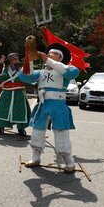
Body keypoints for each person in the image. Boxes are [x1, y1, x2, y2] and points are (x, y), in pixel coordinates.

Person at [19, 43, 79, 172]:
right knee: (37, 131)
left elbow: (72, 73)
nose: (49, 55)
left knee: (61, 133)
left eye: (53, 54)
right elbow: (24, 76)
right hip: (42, 104)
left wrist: (48, 60)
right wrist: (29, 60)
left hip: (58, 105)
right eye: (49, 53)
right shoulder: (40, 72)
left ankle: (69, 162)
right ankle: (35, 158)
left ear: (60, 58)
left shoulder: (67, 69)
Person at [0, 53, 31, 137]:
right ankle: (0, 126)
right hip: (7, 93)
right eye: (14, 59)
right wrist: (0, 64)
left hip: (19, 94)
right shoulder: (4, 70)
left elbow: (28, 80)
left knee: (20, 111)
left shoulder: (21, 70)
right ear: (10, 61)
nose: (16, 60)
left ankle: (21, 128)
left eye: (17, 59)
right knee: (3, 111)